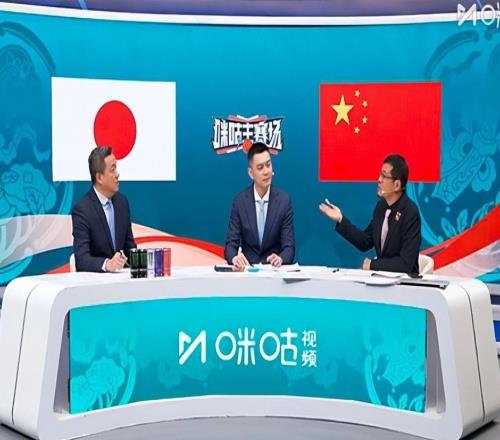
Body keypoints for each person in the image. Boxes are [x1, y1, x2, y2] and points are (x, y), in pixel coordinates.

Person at [319, 154, 421, 274]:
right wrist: (340, 219)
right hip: (382, 279)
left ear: (397, 185)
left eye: (384, 176)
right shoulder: (381, 207)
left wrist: (373, 264)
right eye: (380, 175)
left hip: (405, 282)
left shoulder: (410, 213)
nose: (379, 180)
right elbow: (365, 241)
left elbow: (406, 264)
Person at [225, 142, 295, 271]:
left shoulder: (284, 201)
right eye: (260, 167)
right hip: (248, 272)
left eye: (268, 165)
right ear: (251, 173)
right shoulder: (240, 202)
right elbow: (230, 246)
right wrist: (234, 258)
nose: (266, 171)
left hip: (274, 273)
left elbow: (289, 248)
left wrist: (281, 258)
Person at [72, 146, 136, 272]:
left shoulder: (122, 203)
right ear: (99, 178)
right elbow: (81, 259)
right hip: (95, 281)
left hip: (122, 280)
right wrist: (107, 264)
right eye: (113, 169)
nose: (117, 174)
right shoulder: (82, 210)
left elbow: (130, 249)